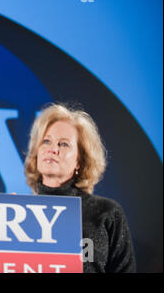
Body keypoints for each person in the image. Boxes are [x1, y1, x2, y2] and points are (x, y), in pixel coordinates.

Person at [23, 103, 136, 273]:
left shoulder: (107, 213)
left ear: (80, 161)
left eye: (63, 144)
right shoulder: (18, 214)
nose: (52, 149)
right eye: (46, 141)